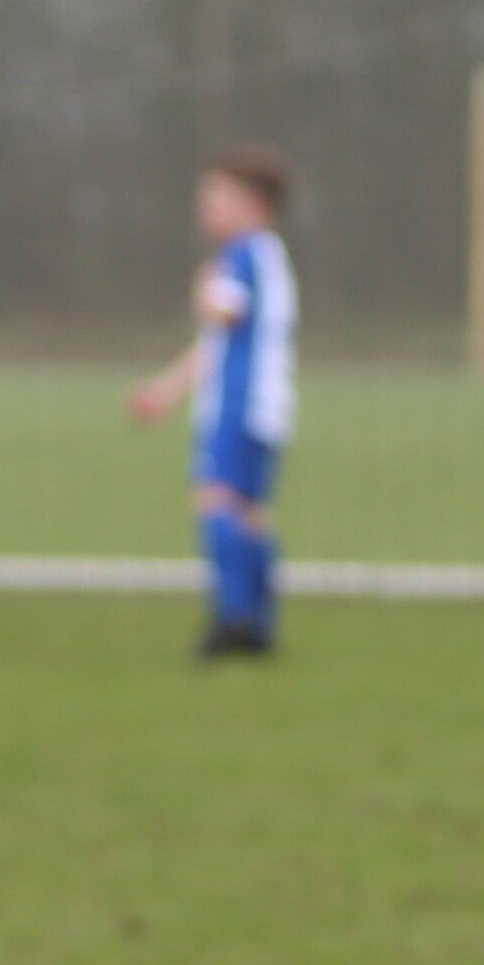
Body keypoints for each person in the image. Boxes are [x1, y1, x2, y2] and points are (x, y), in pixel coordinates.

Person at [128, 145, 300, 657]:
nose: (207, 206)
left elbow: (219, 315)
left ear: (255, 204)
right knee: (248, 514)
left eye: (219, 195)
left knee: (217, 502)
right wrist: (168, 389)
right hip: (260, 405)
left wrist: (200, 288)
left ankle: (234, 621)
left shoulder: (243, 255)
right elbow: (216, 344)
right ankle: (257, 626)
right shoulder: (265, 255)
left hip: (240, 405)